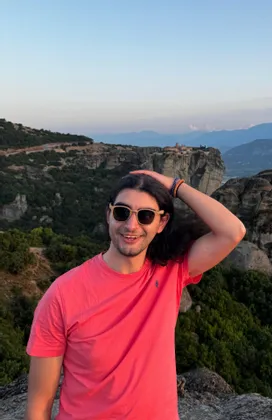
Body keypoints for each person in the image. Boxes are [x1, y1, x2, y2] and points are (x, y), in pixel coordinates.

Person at [24, 170, 246, 420]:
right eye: (122, 212)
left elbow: (233, 231)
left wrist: (175, 186)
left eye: (146, 216)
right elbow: (39, 405)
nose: (131, 226)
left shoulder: (170, 272)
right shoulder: (62, 294)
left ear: (161, 223)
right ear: (108, 215)